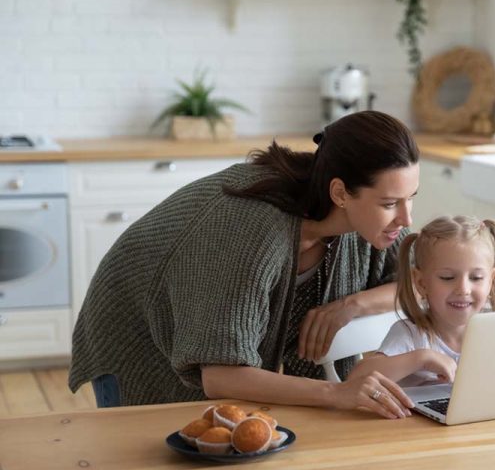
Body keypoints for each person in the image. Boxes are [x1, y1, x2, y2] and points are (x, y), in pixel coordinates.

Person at [68, 110, 418, 419]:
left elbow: (423, 280)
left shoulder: (370, 224)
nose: (405, 217)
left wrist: (350, 305)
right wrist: (336, 393)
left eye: (410, 199)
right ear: (340, 193)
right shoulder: (250, 231)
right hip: (137, 335)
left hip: (203, 336)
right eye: (389, 203)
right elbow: (221, 375)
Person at [349, 215, 495, 388]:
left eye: (476, 278)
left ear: (492, 281)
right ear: (422, 283)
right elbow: (356, 379)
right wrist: (421, 358)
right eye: (448, 278)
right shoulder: (411, 335)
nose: (463, 289)